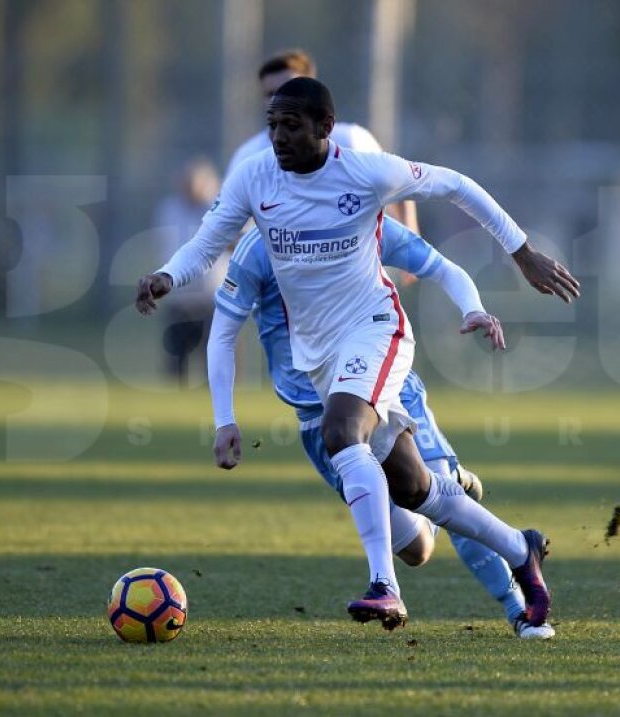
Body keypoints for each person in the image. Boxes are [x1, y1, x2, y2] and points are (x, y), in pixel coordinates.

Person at [137, 77, 579, 631]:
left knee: (342, 432)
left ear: (324, 128)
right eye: (272, 124)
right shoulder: (255, 179)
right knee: (417, 492)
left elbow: (457, 185)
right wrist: (167, 276)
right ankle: (522, 547)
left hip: (377, 329)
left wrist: (522, 252)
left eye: (291, 125)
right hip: (321, 357)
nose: (277, 136)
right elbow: (206, 245)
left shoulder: (366, 173)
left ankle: (384, 587)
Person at [209, 219, 555, 639]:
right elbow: (222, 328)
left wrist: (474, 306)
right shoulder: (259, 247)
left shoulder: (353, 206)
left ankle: (519, 611)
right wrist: (224, 417)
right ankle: (460, 500)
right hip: (315, 415)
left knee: (436, 487)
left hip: (384, 380)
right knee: (417, 547)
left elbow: (438, 241)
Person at [225, 49, 418, 235]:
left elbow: (402, 182)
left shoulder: (351, 139)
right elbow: (228, 228)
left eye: (290, 89)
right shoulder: (248, 157)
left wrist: (411, 249)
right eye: (270, 94)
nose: (279, 99)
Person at [151, 157, 223, 382]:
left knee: (218, 360)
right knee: (176, 357)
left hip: (213, 298)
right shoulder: (169, 210)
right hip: (180, 299)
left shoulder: (221, 210)